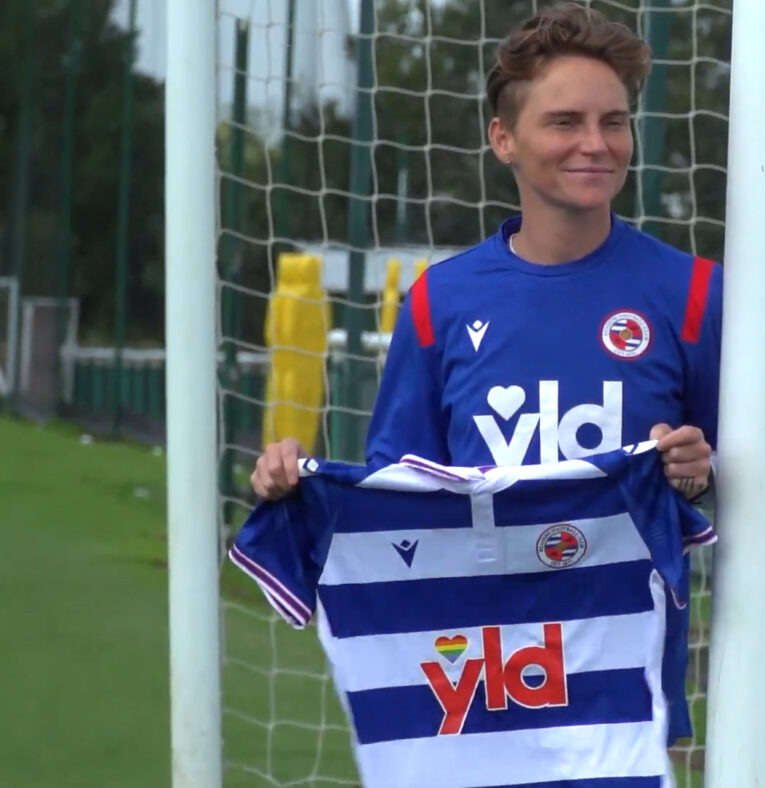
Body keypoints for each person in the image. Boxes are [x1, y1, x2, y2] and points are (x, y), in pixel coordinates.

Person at [249, 2, 721, 503]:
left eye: (613, 122)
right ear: (503, 139)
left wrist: (700, 469)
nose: (594, 143)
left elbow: (727, 465)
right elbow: (394, 497)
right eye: (564, 122)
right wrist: (294, 485)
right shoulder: (440, 299)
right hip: (472, 586)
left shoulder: (695, 291)